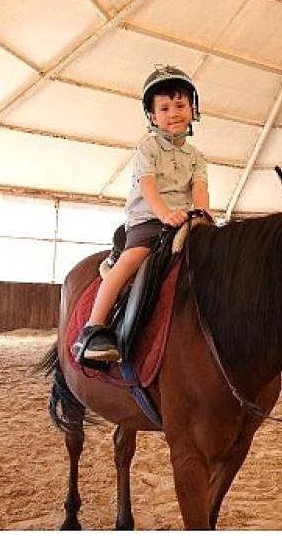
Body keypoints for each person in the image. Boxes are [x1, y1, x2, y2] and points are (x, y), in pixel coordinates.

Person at [72, 65, 212, 363]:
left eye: (180, 106)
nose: (173, 113)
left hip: (184, 222)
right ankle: (93, 329)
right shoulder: (147, 148)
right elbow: (147, 184)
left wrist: (202, 214)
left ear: (192, 110)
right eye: (164, 108)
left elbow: (199, 189)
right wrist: (164, 214)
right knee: (132, 260)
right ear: (153, 116)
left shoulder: (197, 157)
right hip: (149, 221)